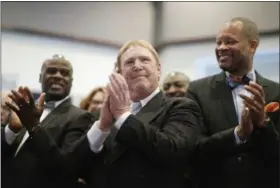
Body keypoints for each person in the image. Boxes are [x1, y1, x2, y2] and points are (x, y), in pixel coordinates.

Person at [72, 40, 202, 188]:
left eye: (145, 60)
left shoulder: (181, 107)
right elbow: (75, 166)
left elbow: (173, 152)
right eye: (129, 62)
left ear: (158, 70)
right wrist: (101, 127)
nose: (137, 66)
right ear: (119, 73)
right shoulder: (101, 116)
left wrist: (123, 116)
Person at [187, 17, 279, 188]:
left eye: (230, 41)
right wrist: (238, 134)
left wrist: (263, 124)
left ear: (252, 46)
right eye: (218, 42)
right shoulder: (196, 91)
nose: (221, 48)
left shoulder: (276, 92)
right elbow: (194, 149)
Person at [2, 55, 95, 188]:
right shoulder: (23, 109)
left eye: (65, 73)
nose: (58, 76)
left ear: (71, 81)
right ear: (40, 77)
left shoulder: (81, 117)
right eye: (51, 71)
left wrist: (33, 126)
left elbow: (66, 168)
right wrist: (12, 129)